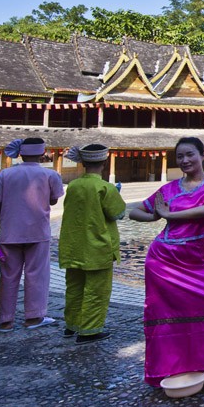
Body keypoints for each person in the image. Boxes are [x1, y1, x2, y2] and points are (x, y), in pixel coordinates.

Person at [128, 137, 204, 388]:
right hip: (163, 259)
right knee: (167, 315)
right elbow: (134, 212)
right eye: (180, 157)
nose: (185, 160)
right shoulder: (169, 189)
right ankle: (170, 368)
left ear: (203, 155)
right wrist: (157, 215)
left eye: (190, 155)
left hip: (194, 262)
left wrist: (169, 214)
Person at [0, 137, 63, 332]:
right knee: (37, 275)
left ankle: (5, 320)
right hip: (38, 232)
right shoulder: (50, 175)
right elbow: (53, 201)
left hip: (10, 232)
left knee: (8, 276)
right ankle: (33, 317)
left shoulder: (6, 174)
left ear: (21, 153)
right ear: (43, 153)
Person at [58, 144, 126, 344]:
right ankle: (90, 330)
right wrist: (117, 193)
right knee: (96, 290)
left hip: (73, 245)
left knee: (74, 287)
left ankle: (72, 325)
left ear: (84, 163)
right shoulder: (105, 187)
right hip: (97, 246)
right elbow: (117, 213)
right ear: (104, 163)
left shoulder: (74, 185)